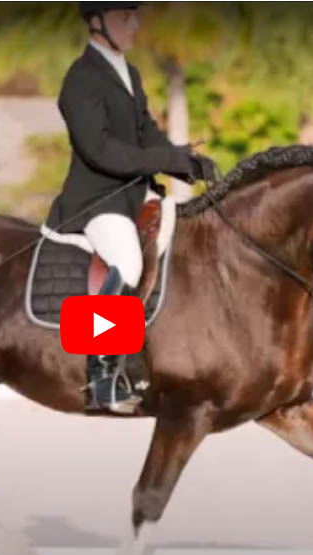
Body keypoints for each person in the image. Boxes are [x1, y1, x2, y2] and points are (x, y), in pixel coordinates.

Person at [45, 1, 218, 413]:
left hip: (135, 196)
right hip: (95, 200)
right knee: (128, 260)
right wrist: (164, 161)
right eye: (126, 17)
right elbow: (100, 150)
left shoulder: (130, 73)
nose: (136, 25)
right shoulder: (80, 79)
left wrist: (184, 161)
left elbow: (147, 133)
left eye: (135, 15)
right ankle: (101, 373)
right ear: (97, 22)